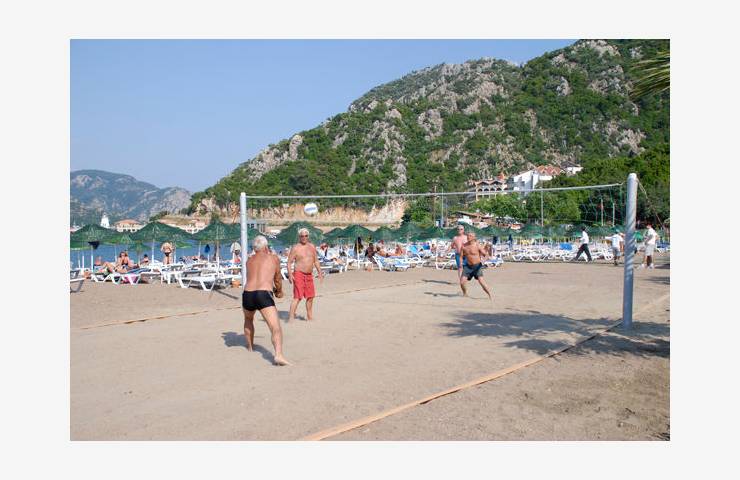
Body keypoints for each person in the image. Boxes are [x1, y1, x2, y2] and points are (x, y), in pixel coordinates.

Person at [242, 235, 290, 366]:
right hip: (263, 293)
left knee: (248, 319)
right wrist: (279, 291)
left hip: (248, 293)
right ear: (266, 247)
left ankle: (250, 347)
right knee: (275, 327)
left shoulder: (249, 261)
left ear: (254, 248)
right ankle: (278, 355)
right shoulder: (273, 258)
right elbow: (277, 278)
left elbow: (252, 276)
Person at [287, 228, 323, 322]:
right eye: (302, 236)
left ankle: (309, 316)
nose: (304, 237)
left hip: (309, 275)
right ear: (299, 237)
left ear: (308, 236)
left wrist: (320, 272)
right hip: (298, 273)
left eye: (306, 236)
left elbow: (316, 260)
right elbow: (289, 262)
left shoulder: (312, 246)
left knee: (310, 296)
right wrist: (290, 274)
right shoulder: (295, 248)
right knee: (298, 297)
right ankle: (291, 317)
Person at [459, 232, 493, 302]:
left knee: (481, 282)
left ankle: (490, 295)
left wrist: (484, 260)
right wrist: (461, 262)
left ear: (474, 238)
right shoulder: (464, 246)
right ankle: (465, 293)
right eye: (467, 236)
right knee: (462, 282)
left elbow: (486, 255)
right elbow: (461, 256)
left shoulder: (477, 245)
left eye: (470, 236)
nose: (468, 237)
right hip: (468, 266)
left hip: (477, 266)